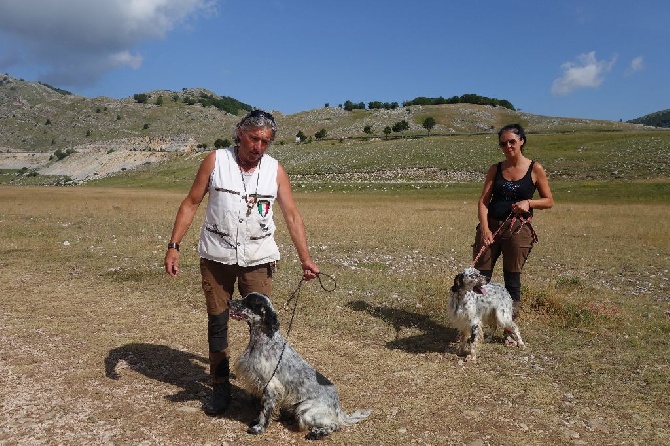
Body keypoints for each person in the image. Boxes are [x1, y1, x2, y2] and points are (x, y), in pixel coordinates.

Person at [164, 109, 320, 414]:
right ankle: (220, 386)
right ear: (240, 133)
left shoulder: (275, 171)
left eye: (265, 142)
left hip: (258, 259)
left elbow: (291, 215)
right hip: (216, 256)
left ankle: (259, 388)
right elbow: (191, 202)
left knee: (262, 329)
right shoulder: (215, 161)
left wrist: (306, 259)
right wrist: (173, 246)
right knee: (218, 322)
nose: (258, 147)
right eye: (253, 139)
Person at [472, 123, 554, 332]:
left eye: (512, 141)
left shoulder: (535, 169)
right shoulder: (496, 168)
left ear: (521, 141)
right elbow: (483, 201)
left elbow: (548, 200)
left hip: (518, 229)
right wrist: (485, 229)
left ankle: (509, 328)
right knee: (480, 278)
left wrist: (529, 203)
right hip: (491, 226)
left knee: (512, 279)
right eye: (503, 143)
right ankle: (474, 327)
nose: (507, 146)